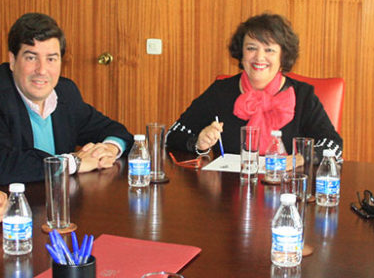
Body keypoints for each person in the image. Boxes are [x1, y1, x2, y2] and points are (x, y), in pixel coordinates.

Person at [166, 13, 342, 162]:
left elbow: (334, 145)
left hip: (287, 193)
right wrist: (198, 142)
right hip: (229, 195)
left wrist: (300, 159)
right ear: (241, 53)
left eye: (269, 50)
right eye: (251, 48)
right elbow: (172, 135)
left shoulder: (303, 95)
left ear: (283, 56)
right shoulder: (220, 92)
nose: (259, 57)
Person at [0, 13, 133, 185]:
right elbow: (5, 165)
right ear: (12, 60)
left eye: (51, 59)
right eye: (31, 58)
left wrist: (108, 149)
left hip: (61, 204)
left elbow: (116, 130)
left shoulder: (65, 92)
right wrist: (73, 163)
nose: (42, 70)